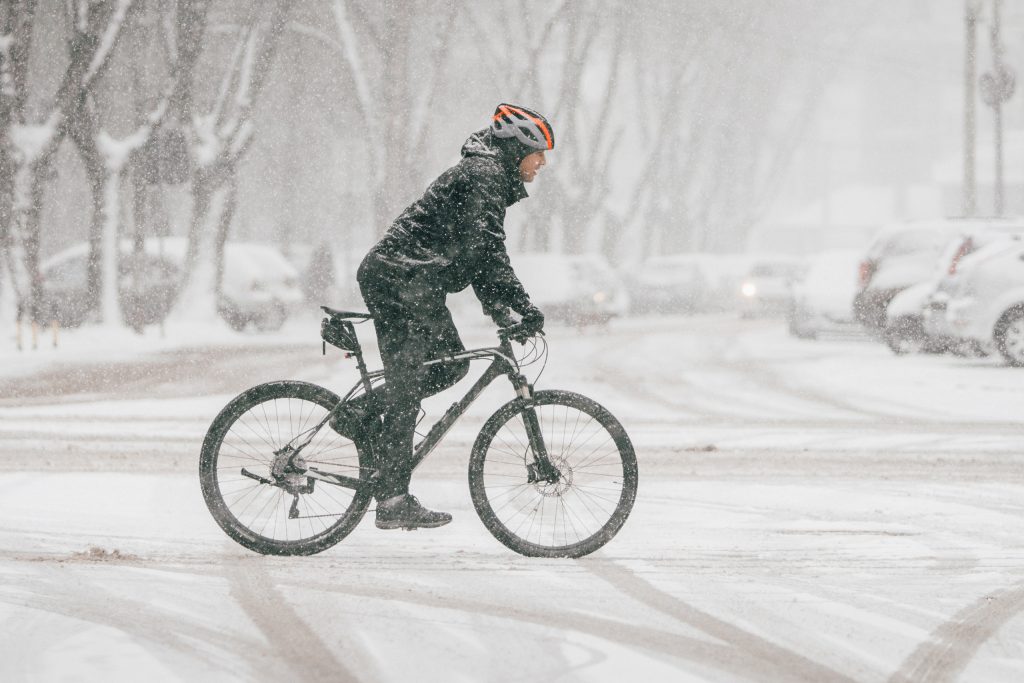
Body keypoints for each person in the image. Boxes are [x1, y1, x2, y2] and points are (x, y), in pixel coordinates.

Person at [331, 103, 554, 530]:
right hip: (400, 279)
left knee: (447, 370)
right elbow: (486, 250)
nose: (542, 162)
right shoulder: (483, 177)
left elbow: (477, 255)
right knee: (410, 383)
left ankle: (360, 415)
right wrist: (520, 306)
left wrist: (500, 308)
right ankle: (393, 499)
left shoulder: (487, 176)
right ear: (517, 148)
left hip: (413, 281)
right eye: (538, 151)